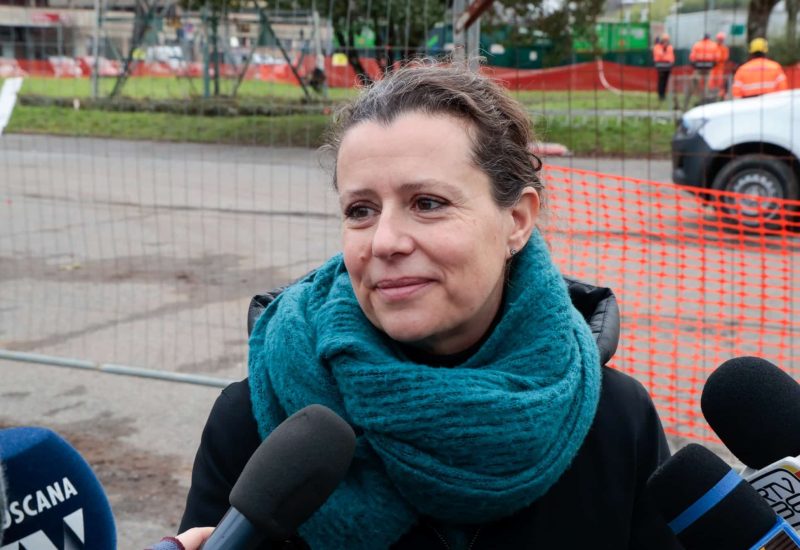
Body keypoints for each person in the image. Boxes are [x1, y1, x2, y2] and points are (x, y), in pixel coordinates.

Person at [179, 61, 681, 549]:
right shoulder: (256, 421)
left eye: (427, 203)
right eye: (361, 210)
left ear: (517, 220)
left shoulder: (616, 422)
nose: (384, 241)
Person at [684, 33, 719, 108]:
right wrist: (713, 64)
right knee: (706, 84)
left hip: (698, 66)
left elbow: (692, 56)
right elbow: (717, 57)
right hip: (709, 66)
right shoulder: (714, 45)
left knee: (694, 81)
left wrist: (694, 64)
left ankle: (691, 99)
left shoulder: (697, 44)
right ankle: (704, 99)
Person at [653, 33, 675, 102]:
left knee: (665, 82)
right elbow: (659, 56)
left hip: (668, 67)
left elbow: (671, 57)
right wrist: (664, 50)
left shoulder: (670, 47)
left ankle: (663, 95)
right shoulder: (657, 47)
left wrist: (671, 62)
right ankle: (660, 95)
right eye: (664, 40)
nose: (666, 42)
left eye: (667, 40)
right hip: (661, 66)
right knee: (661, 81)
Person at [710, 32, 730, 99]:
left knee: (720, 83)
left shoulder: (724, 48)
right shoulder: (713, 47)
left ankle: (721, 96)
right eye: (719, 39)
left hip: (720, 68)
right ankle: (712, 96)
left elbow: (725, 58)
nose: (720, 41)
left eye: (721, 39)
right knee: (712, 83)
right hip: (713, 68)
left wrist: (717, 59)